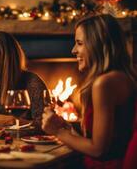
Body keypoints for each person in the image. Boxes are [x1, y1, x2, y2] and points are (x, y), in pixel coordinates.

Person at [42, 14, 137, 169]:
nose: (73, 50)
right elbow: (111, 140)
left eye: (79, 43)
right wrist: (67, 128)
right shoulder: (124, 76)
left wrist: (58, 132)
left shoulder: (104, 83)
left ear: (98, 44)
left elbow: (98, 150)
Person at [0, 31, 48, 131]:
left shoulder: (32, 83)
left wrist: (15, 122)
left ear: (6, 60)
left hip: (27, 144)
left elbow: (47, 127)